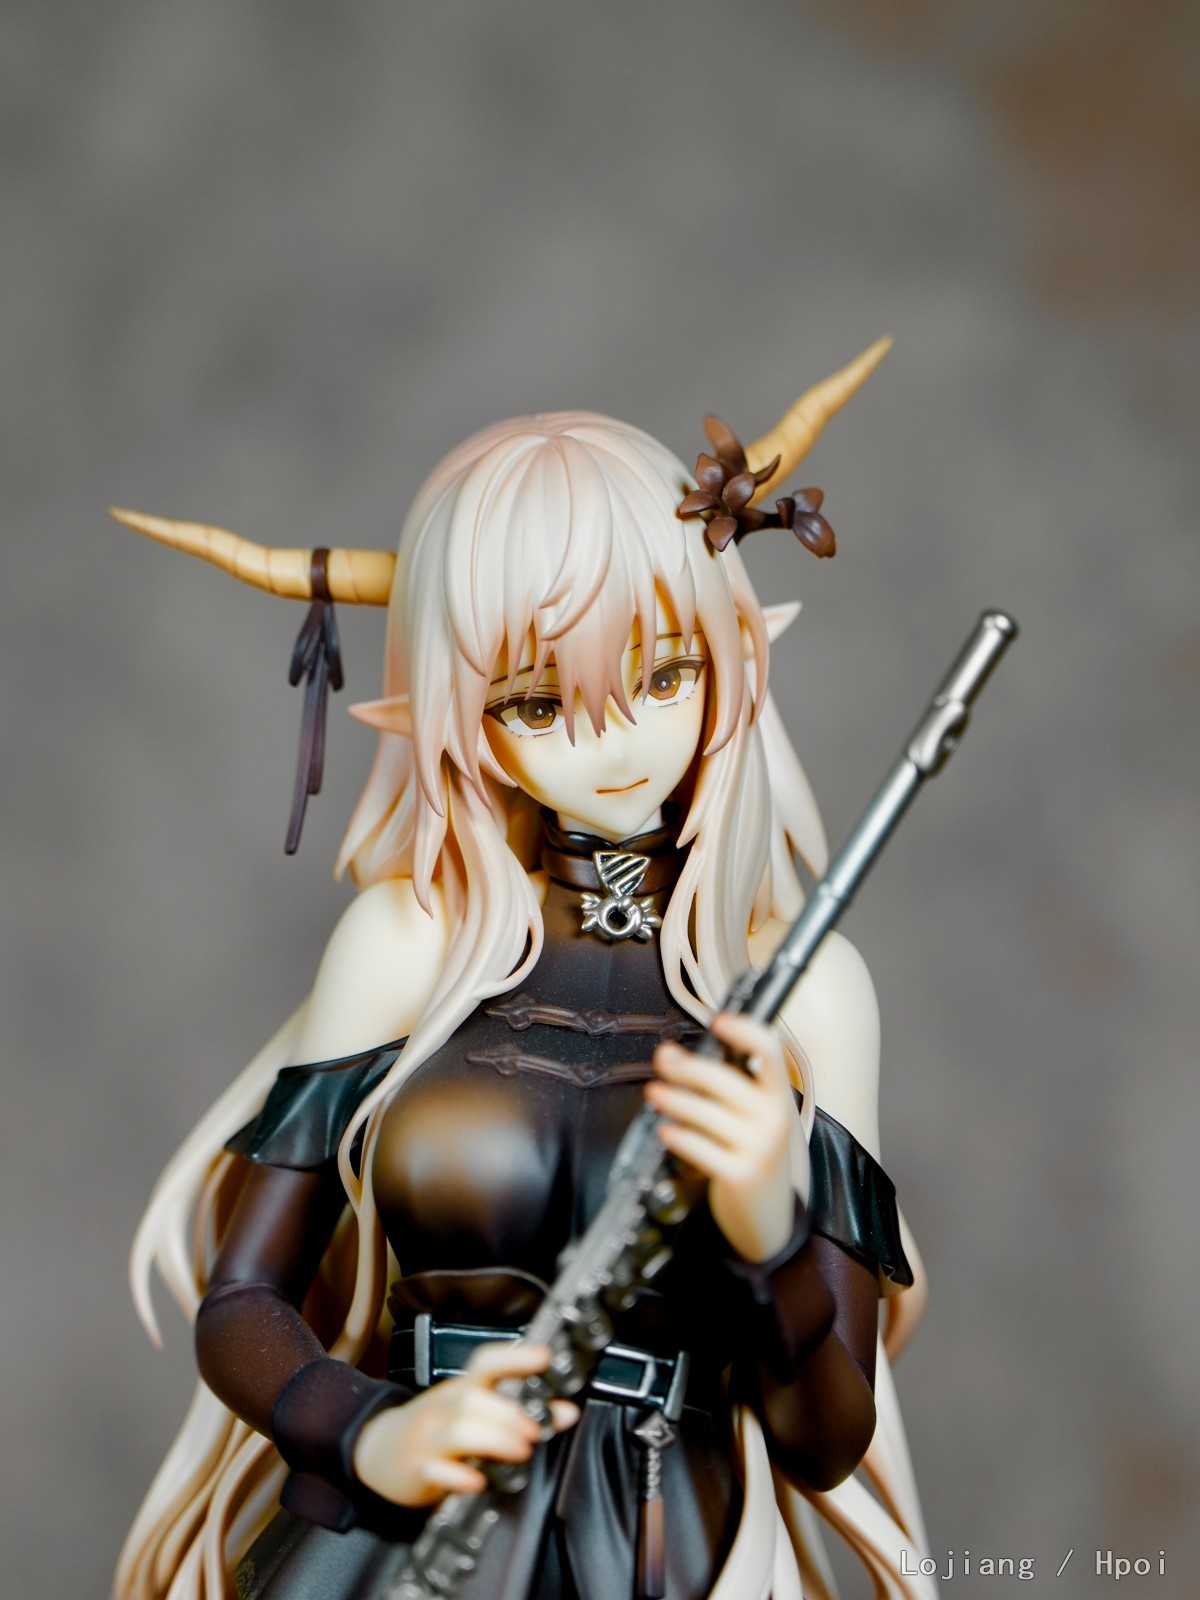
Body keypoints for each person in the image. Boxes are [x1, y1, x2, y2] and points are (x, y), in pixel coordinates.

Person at [115, 351, 937, 1600]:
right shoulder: (408, 944)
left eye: (663, 675)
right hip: (397, 1536)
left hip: (664, 1545)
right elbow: (243, 1299)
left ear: (728, 658)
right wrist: (372, 1432)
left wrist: (771, 1229)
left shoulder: (807, 987)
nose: (617, 743)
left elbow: (827, 1439)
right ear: (467, 715)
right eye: (540, 702)